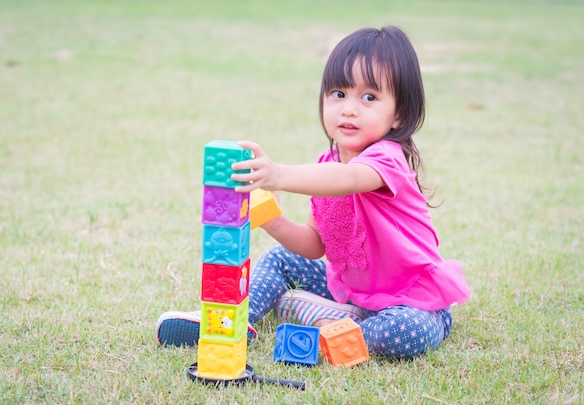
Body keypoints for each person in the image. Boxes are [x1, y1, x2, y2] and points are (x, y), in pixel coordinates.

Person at [156, 26, 471, 359]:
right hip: (351, 292)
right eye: (338, 94)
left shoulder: (386, 159)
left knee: (405, 332)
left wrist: (277, 174)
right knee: (280, 260)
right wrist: (273, 222)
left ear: (399, 115)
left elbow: (350, 179)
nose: (349, 109)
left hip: (412, 300)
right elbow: (314, 245)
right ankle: (235, 322)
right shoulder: (327, 164)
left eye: (369, 98)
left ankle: (333, 324)